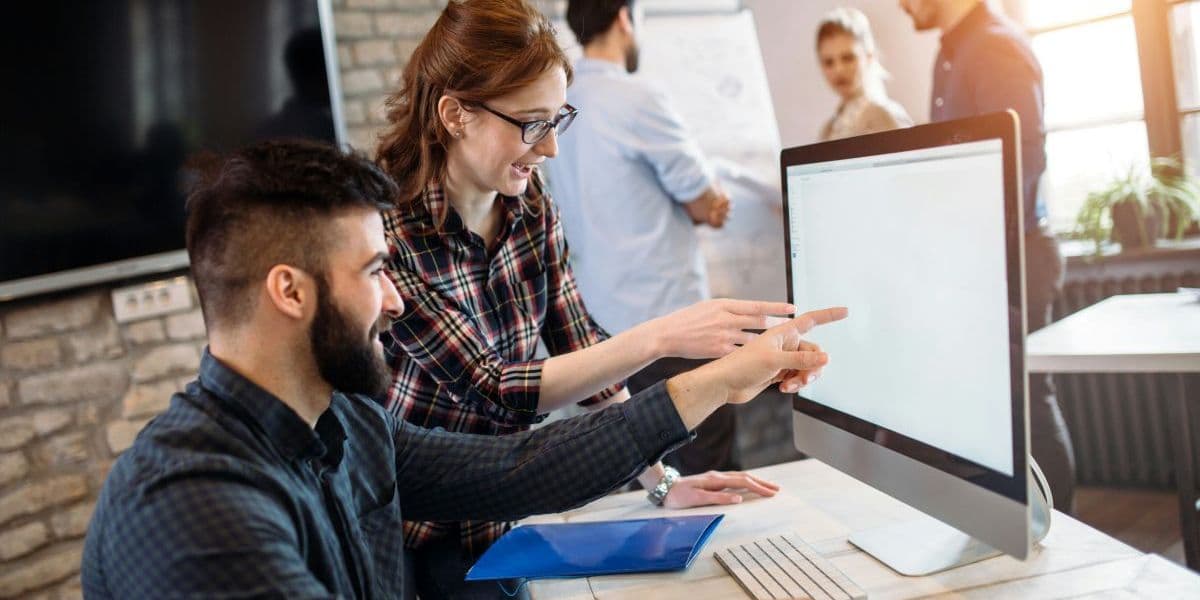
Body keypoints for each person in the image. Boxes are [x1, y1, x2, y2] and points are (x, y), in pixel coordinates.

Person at [79, 139, 846, 599]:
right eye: (376, 271)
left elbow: (513, 468)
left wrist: (717, 382)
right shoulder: (196, 508)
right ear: (290, 291)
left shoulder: (339, 417)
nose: (395, 300)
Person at [373, 2, 789, 597]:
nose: (550, 150)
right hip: (411, 531)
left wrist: (662, 482)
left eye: (556, 120)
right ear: (454, 114)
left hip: (501, 516)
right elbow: (496, 387)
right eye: (530, 123)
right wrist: (663, 335)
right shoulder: (388, 234)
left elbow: (579, 345)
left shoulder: (528, 204)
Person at [544, 0, 742, 481]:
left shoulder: (554, 105)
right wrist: (713, 203)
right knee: (706, 475)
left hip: (603, 339)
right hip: (674, 329)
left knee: (645, 485)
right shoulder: (638, 98)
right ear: (625, 19)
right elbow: (706, 203)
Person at [899, 0, 1075, 510]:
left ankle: (1061, 541)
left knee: (1027, 407)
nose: (900, 5)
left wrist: (980, 263)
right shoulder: (950, 53)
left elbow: (1022, 162)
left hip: (1013, 257)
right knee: (995, 414)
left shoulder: (995, 46)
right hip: (978, 260)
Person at [816, 7, 912, 141]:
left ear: (868, 57)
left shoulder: (886, 115)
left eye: (848, 58)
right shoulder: (828, 130)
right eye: (829, 62)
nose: (839, 70)